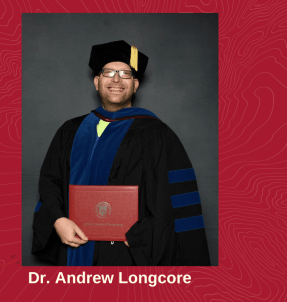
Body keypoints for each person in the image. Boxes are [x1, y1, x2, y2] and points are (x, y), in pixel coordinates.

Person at [32, 40, 211, 266]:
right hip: (75, 247)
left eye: (125, 74)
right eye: (109, 72)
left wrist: (143, 236)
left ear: (135, 85)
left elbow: (172, 199)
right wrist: (57, 220)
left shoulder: (156, 134)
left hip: (127, 254)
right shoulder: (70, 131)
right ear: (97, 82)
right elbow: (51, 180)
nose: (116, 79)